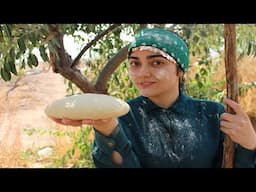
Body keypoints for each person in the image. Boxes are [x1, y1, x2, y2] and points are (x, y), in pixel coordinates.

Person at [51, 27, 256, 168]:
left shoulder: (212, 114)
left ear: (179, 70)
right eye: (135, 63)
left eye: (156, 63)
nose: (142, 73)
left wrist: (249, 145)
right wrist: (108, 131)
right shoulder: (121, 116)